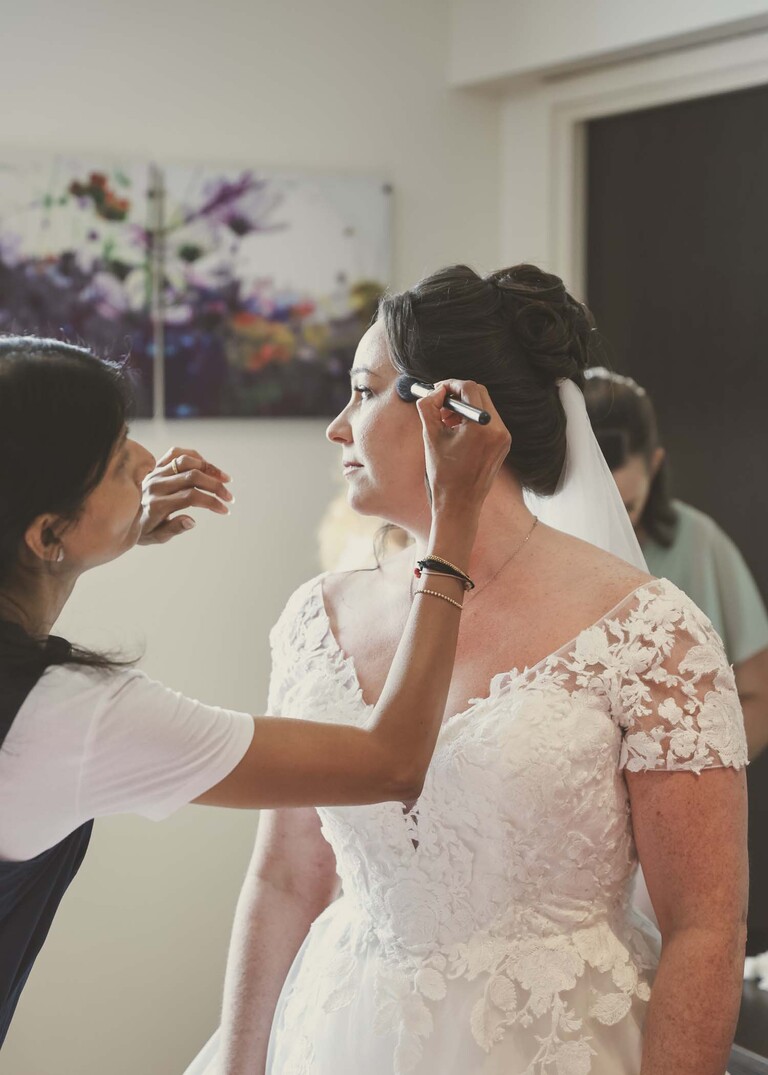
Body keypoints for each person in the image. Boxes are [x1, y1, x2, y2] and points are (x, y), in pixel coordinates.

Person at [187, 265, 748, 1075]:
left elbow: (705, 923)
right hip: (345, 1031)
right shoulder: (316, 618)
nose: (337, 428)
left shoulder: (649, 631)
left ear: (452, 409)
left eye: (363, 392)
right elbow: (282, 880)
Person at [0, 335, 509, 1046]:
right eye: (117, 462)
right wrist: (453, 525)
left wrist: (106, 531)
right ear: (47, 534)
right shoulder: (71, 716)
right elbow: (391, 764)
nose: (148, 461)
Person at [584, 367, 768, 761]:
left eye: (627, 507)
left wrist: (706, 771)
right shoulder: (540, 554)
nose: (615, 524)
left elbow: (761, 694)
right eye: (598, 506)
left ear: (654, 465)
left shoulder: (701, 543)